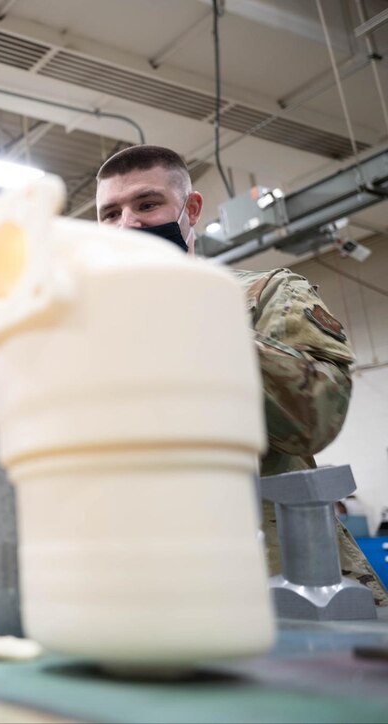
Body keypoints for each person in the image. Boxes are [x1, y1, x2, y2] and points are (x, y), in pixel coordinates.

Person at [95, 144, 387, 606]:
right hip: (145, 585)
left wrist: (188, 312)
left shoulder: (265, 293)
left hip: (282, 580)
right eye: (110, 214)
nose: (127, 223)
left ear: (190, 209)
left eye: (147, 204)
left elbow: (315, 417)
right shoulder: (87, 332)